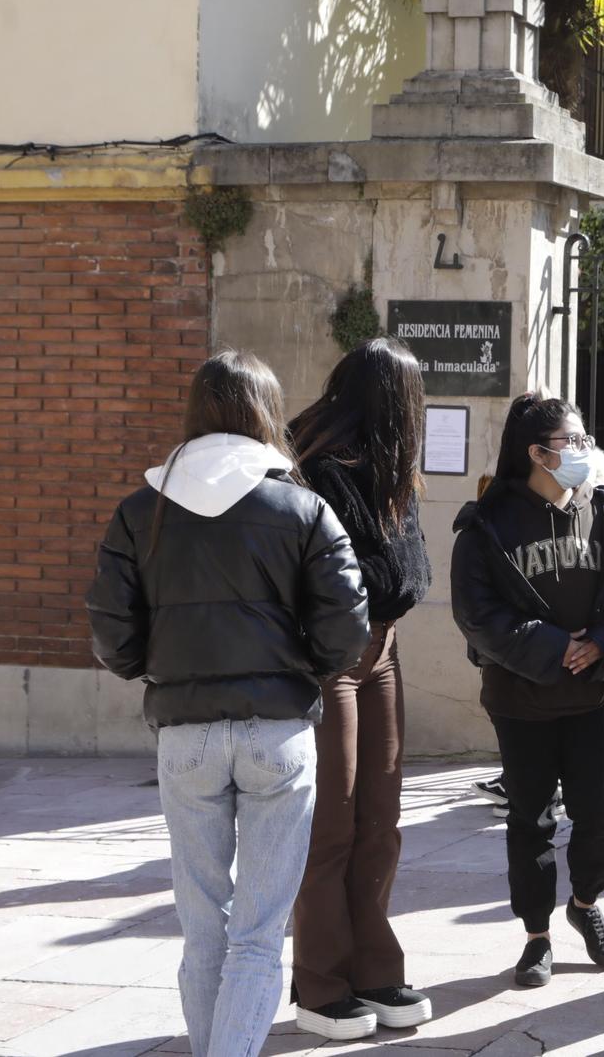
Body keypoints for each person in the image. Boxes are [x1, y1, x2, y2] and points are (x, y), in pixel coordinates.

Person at [86, 351, 369, 1057]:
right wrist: (304, 662)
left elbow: (112, 634)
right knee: (258, 931)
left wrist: (159, 664)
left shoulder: (140, 509)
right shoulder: (302, 507)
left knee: (204, 926)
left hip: (185, 735)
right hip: (278, 732)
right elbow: (348, 627)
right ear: (267, 413)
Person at [451, 395, 604, 989]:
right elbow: (475, 612)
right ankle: (536, 935)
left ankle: (587, 905)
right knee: (530, 820)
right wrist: (550, 647)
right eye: (573, 441)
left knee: (600, 813)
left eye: (585, 439)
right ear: (536, 453)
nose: (584, 451)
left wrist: (603, 646)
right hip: (523, 699)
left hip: (597, 694)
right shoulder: (488, 525)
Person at [285, 339, 434, 1039]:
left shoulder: (386, 474)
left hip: (383, 650)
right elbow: (380, 579)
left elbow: (412, 576)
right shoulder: (318, 472)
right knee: (334, 823)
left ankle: (376, 967)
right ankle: (321, 983)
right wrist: (390, 581)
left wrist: (391, 581)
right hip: (333, 658)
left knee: (382, 816)